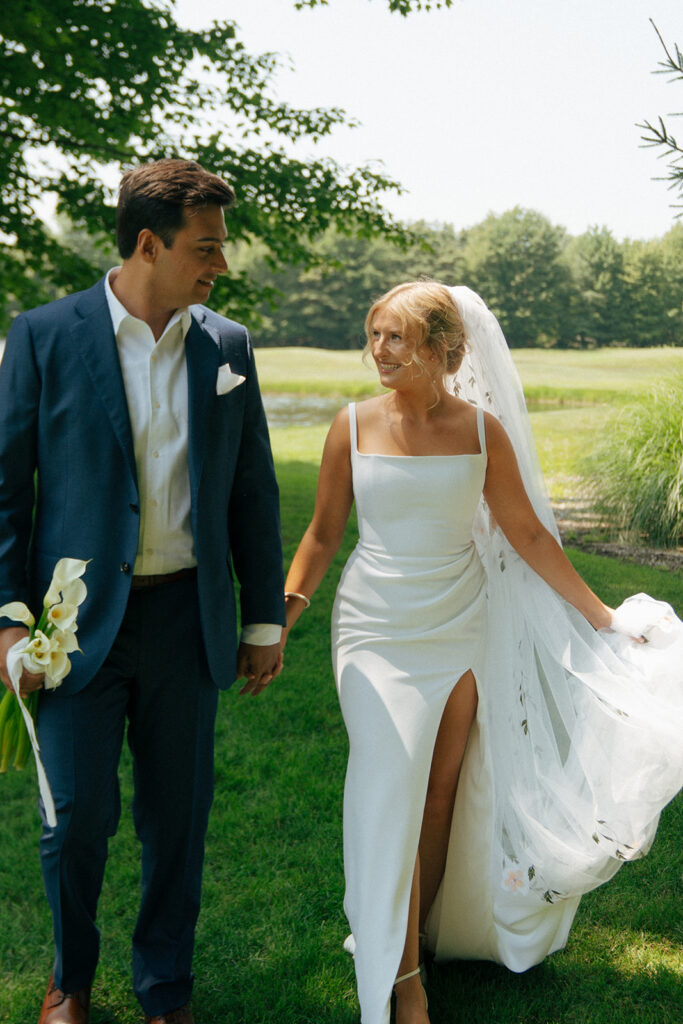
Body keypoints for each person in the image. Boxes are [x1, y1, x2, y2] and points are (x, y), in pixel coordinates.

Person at [281, 281, 683, 1024]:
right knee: (387, 788)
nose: (378, 350)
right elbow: (321, 535)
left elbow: (527, 535)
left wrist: (599, 617)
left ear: (444, 351)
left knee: (438, 795)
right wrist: (283, 614)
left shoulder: (479, 432)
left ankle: (418, 936)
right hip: (373, 628)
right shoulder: (349, 426)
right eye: (372, 335)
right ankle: (400, 983)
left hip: (458, 619)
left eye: (394, 337)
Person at [0, 159, 286, 1024]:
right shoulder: (44, 335)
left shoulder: (226, 347)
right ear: (149, 244)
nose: (220, 266)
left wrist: (264, 617)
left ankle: (165, 987)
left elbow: (252, 491)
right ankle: (69, 983)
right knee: (76, 818)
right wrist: (9, 626)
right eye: (206, 248)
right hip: (74, 626)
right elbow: (9, 493)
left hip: (185, 618)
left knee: (179, 819)